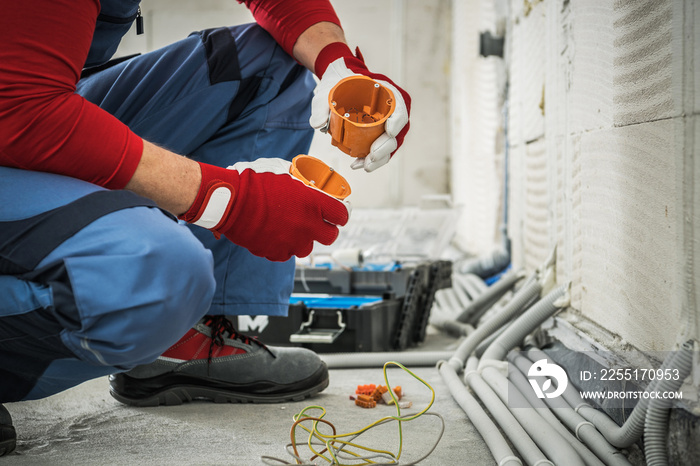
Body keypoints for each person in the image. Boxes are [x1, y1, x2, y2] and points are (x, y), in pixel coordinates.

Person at [0, 0, 411, 456]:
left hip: (41, 99)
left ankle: (183, 344)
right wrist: (226, 199)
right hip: (19, 112)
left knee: (273, 64)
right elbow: (20, 109)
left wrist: (340, 65)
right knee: (154, 276)